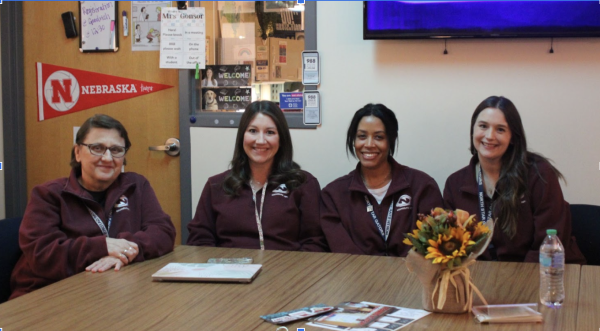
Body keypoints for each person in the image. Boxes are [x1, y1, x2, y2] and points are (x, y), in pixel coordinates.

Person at [10, 114, 176, 299]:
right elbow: (42, 254)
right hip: (49, 294)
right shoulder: (48, 194)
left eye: (116, 150)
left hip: (113, 289)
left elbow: (163, 231)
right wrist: (103, 247)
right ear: (78, 152)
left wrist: (125, 252)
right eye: (97, 148)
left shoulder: (136, 185)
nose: (107, 158)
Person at [443, 96, 585, 263]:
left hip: (544, 273)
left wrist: (516, 283)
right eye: (483, 126)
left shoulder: (539, 174)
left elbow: (548, 242)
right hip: (481, 278)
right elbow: (452, 247)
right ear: (473, 130)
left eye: (500, 129)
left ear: (513, 137)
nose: (490, 136)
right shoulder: (455, 184)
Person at [187, 101, 327, 251]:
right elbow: (199, 239)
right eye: (253, 131)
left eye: (270, 132)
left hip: (286, 271)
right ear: (242, 136)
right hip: (229, 270)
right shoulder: (216, 186)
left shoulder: (303, 184)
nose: (260, 141)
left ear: (281, 139)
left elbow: (315, 242)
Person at [320, 104, 443, 256]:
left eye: (379, 137)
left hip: (412, 276)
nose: (369, 144)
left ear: (391, 140)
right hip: (354, 276)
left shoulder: (422, 186)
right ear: (353, 139)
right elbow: (343, 253)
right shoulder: (333, 195)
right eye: (362, 136)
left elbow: (433, 246)